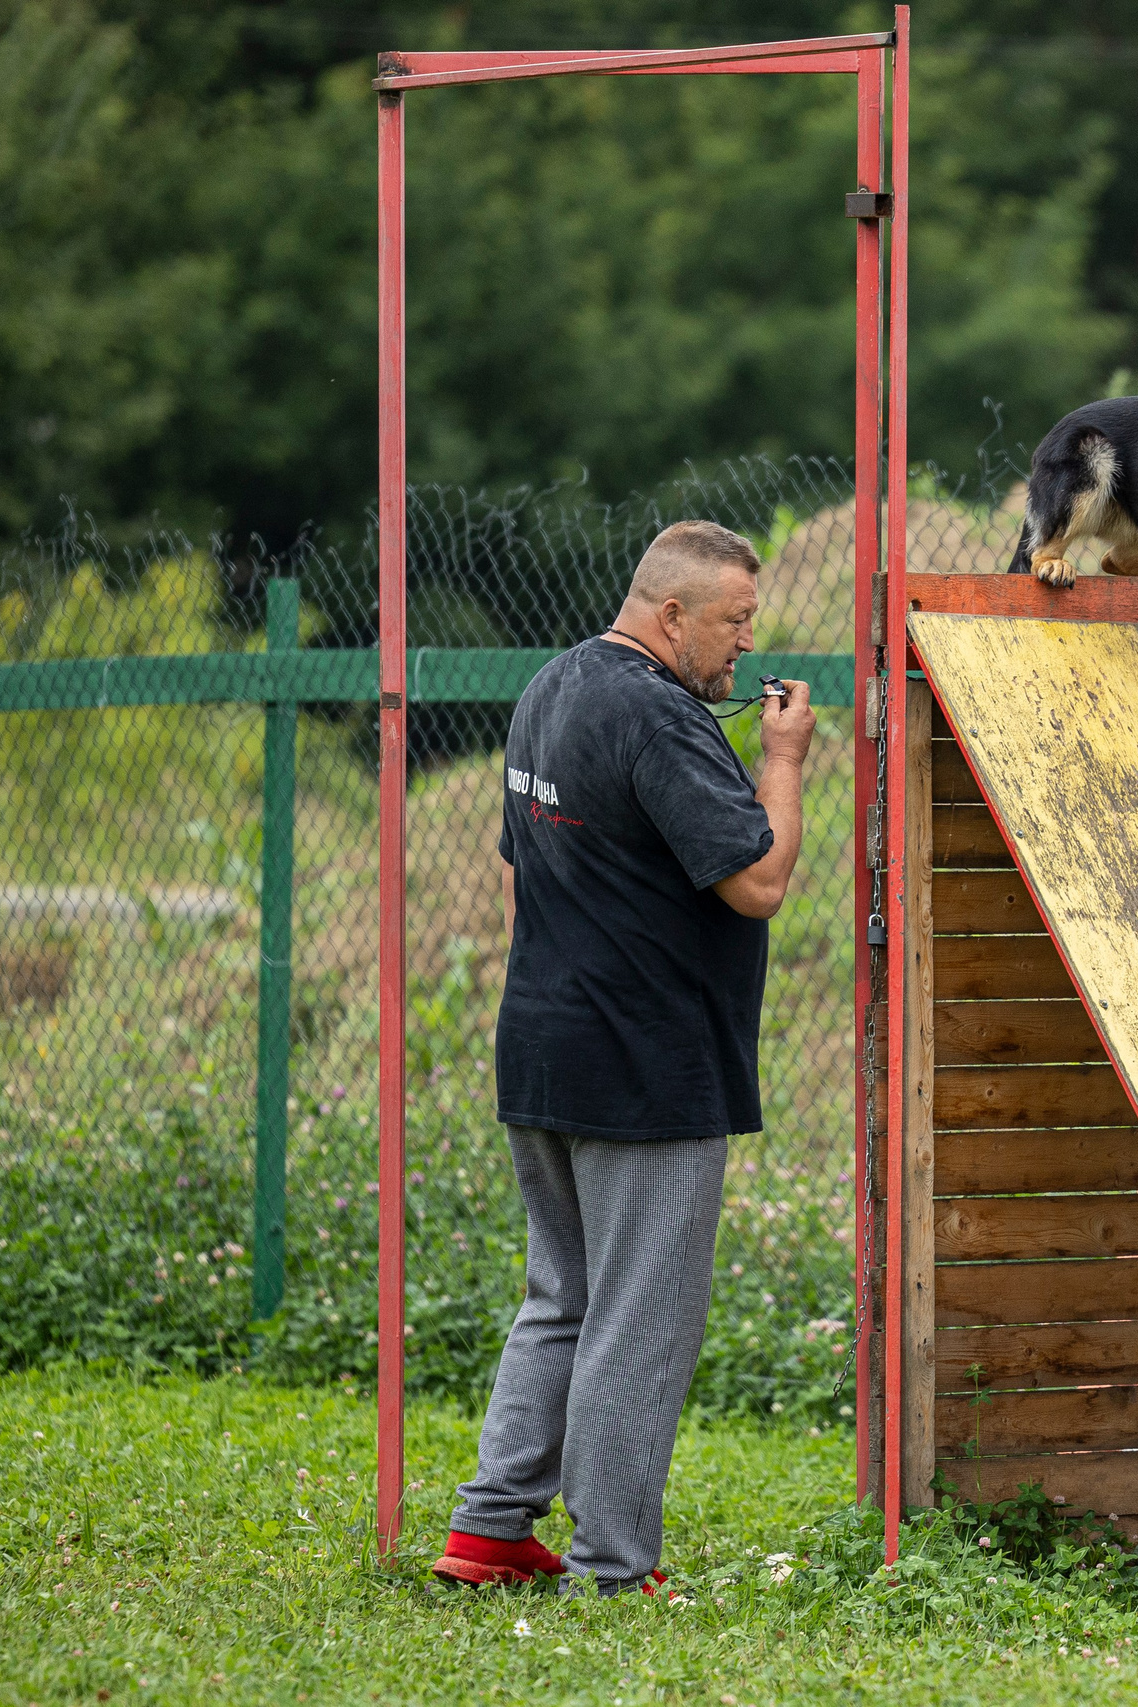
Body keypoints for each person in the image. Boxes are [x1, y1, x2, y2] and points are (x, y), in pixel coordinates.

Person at [431, 519, 814, 1594]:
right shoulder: (659, 714)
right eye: (735, 621)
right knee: (639, 1322)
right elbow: (758, 881)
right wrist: (783, 760)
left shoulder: (550, 687)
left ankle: (491, 1531)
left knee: (561, 1297)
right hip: (646, 1064)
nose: (745, 645)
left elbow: (520, 872)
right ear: (673, 613)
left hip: (543, 1044)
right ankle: (610, 1568)